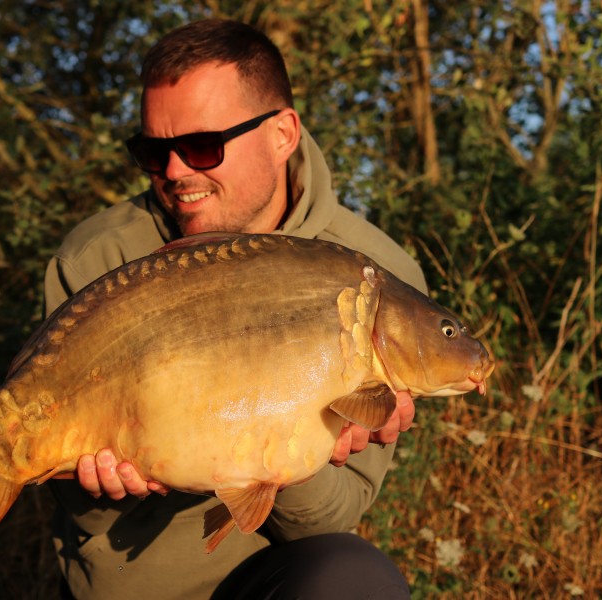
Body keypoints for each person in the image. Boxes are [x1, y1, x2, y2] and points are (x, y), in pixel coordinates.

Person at [44, 18, 426, 599]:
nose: (174, 171)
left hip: (271, 576)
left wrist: (293, 456)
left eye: (201, 146)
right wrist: (98, 487)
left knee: (356, 581)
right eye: (153, 150)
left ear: (282, 134)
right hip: (131, 583)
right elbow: (82, 524)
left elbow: (332, 520)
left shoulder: (376, 278)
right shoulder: (100, 258)